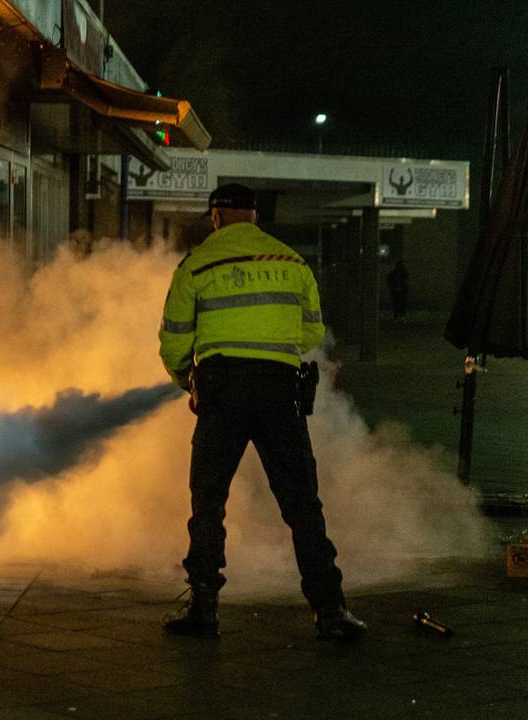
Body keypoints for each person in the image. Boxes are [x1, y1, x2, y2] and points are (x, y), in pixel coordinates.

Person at [157, 183, 367, 641]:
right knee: (301, 504)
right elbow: (311, 330)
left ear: (215, 218)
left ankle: (204, 607)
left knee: (208, 501)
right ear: (254, 217)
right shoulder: (291, 262)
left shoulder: (196, 265)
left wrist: (186, 379)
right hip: (279, 392)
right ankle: (329, 609)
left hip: (220, 391)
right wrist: (272, 350)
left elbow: (174, 338)